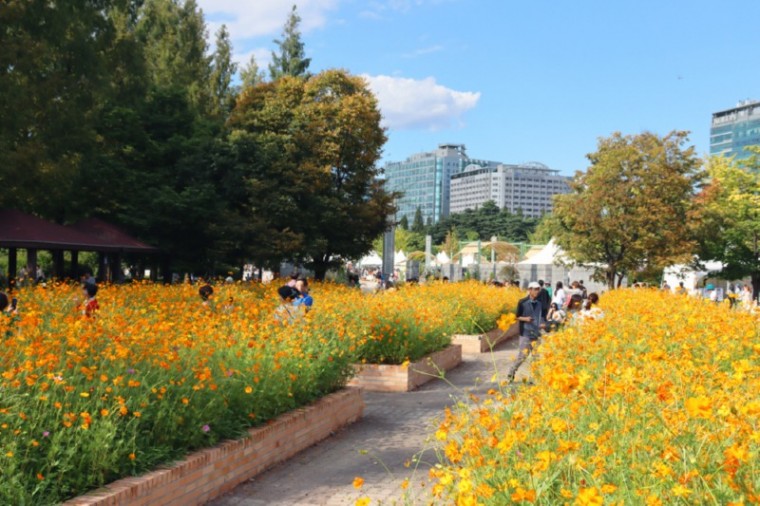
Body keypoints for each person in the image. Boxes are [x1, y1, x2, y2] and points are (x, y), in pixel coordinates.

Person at [506, 282, 546, 383]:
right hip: (526, 333)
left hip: (536, 333)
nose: (537, 291)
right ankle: (511, 373)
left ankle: (533, 378)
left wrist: (542, 323)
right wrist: (525, 319)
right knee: (522, 356)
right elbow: (517, 316)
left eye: (538, 289)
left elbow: (541, 316)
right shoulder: (522, 302)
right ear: (530, 290)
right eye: (535, 289)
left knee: (536, 357)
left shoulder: (540, 303)